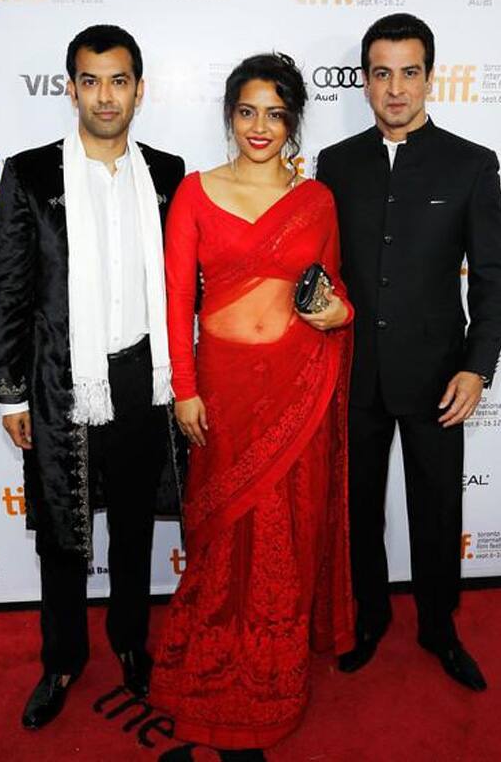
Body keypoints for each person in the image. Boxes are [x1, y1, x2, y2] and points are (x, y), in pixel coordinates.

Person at [149, 53, 354, 759]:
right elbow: (178, 301)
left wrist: (336, 313)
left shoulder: (317, 199)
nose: (259, 127)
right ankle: (209, 661)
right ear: (229, 115)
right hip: (224, 393)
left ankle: (272, 670)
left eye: (274, 113)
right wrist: (184, 388)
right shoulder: (196, 192)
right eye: (246, 111)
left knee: (282, 538)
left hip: (298, 392)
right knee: (220, 531)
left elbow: (333, 292)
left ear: (292, 120)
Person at [0, 24, 185, 728]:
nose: (106, 96)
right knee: (63, 535)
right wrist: (8, 390)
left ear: (140, 88)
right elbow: (9, 290)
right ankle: (62, 659)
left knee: (132, 528)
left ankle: (131, 644)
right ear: (70, 88)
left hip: (141, 378)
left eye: (120, 80)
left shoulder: (167, 172)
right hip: (57, 381)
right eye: (92, 81)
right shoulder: (30, 173)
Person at [317, 13, 501, 691]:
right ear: (365, 81)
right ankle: (367, 619)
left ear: (430, 76)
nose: (395, 88)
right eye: (381, 73)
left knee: (436, 510)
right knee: (358, 508)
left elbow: (492, 277)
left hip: (438, 376)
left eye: (409, 72)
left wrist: (477, 365)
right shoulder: (335, 165)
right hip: (353, 375)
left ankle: (438, 625)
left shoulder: (470, 163)